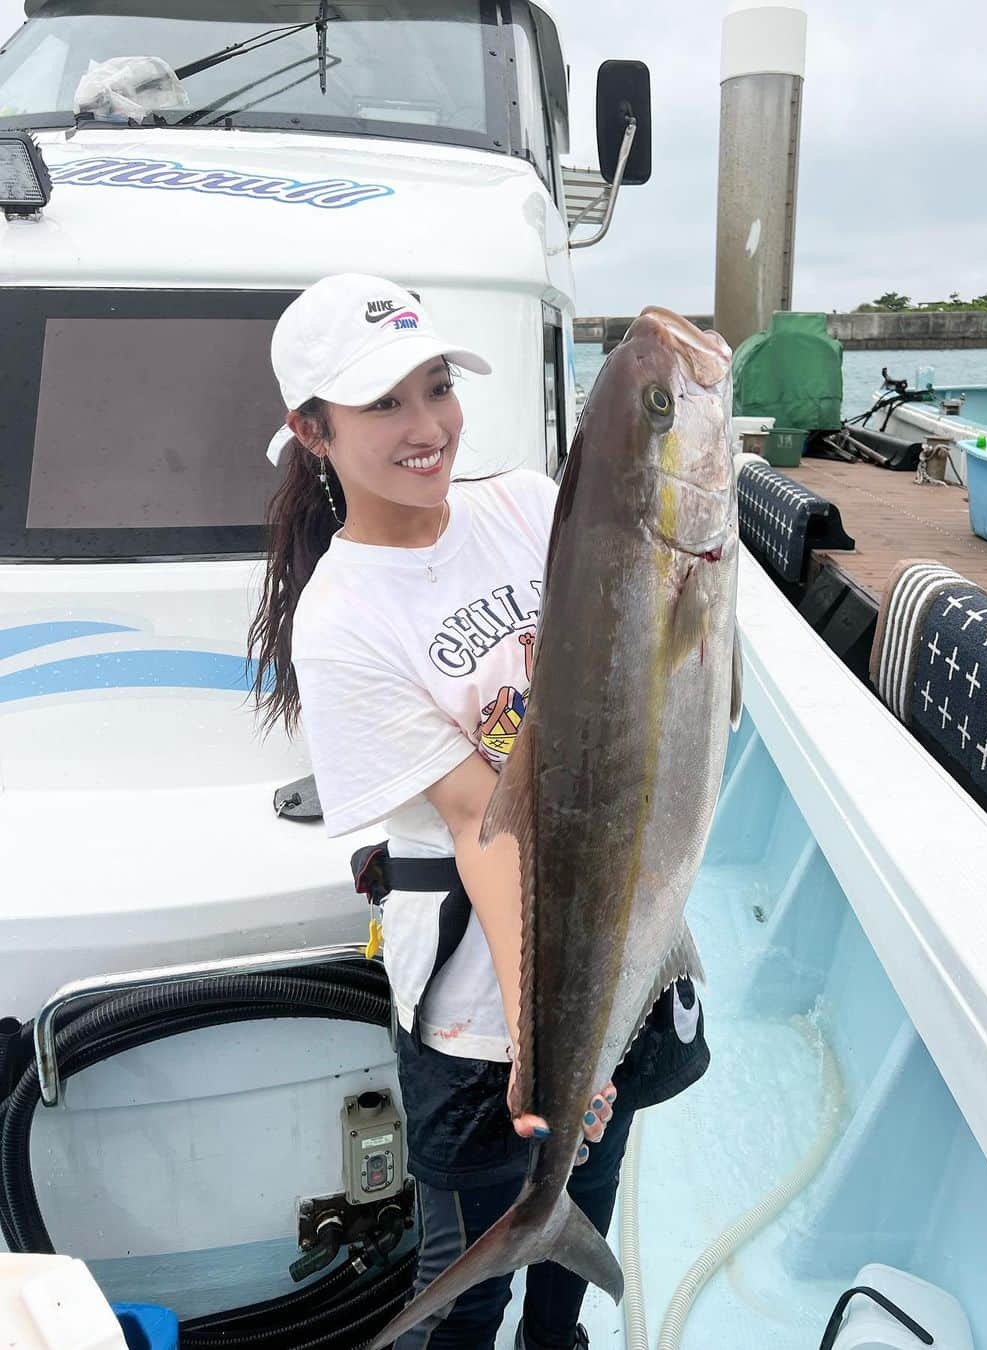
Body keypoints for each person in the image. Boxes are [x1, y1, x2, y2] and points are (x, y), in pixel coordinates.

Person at [248, 274, 709, 1350]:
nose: (427, 428)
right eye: (384, 405)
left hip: (615, 952)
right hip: (481, 1015)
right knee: (464, 1282)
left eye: (437, 386)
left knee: (579, 1224)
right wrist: (548, 1052)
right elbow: (479, 826)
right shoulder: (345, 618)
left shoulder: (523, 503)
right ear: (310, 431)